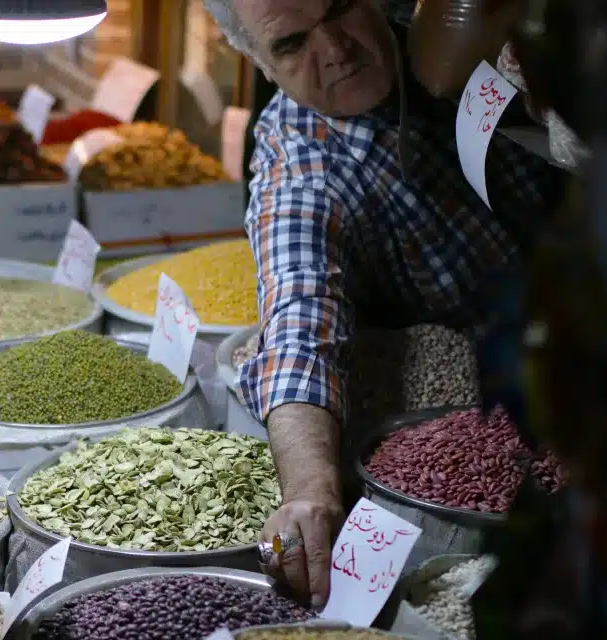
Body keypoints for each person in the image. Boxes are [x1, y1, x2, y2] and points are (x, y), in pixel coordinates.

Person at [201, 0, 563, 606]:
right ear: (259, 64)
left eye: (340, 8)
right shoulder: (300, 160)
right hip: (483, 401)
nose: (335, 48)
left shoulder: (453, 33)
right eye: (292, 44)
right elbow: (298, 322)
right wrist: (310, 492)